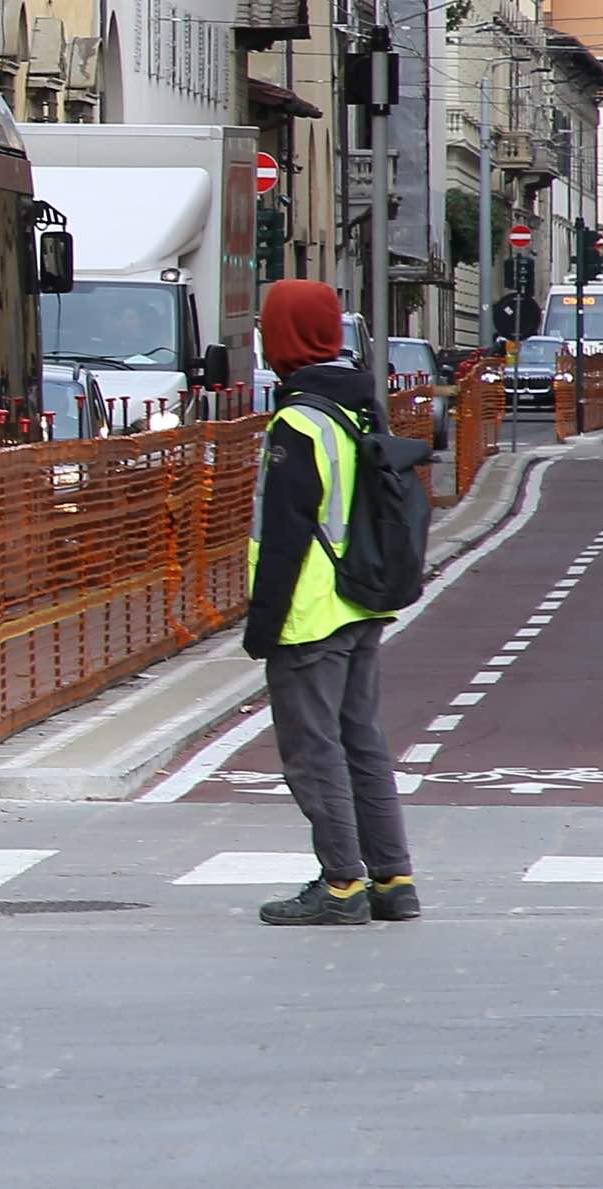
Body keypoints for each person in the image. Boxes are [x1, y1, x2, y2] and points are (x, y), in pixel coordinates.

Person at [242, 279, 415, 928]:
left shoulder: (297, 421)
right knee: (362, 741)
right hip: (360, 601)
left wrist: (262, 626)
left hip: (310, 613)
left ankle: (342, 882)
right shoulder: (358, 406)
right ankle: (393, 877)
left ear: (282, 335)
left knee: (313, 750)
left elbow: (285, 538)